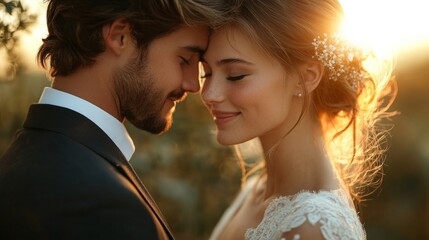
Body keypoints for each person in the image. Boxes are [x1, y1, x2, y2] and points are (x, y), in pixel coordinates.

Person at [0, 0, 223, 239]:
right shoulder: (103, 204)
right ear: (120, 38)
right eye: (185, 59)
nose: (193, 85)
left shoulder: (19, 161)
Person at [201, 0, 396, 239]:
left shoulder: (312, 227)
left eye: (235, 75)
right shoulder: (256, 189)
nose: (208, 94)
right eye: (207, 72)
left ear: (306, 76)